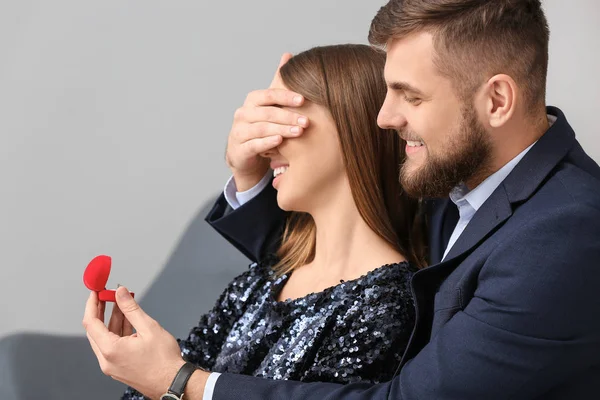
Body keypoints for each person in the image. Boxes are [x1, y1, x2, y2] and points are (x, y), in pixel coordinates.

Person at [83, 0, 600, 399]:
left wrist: (182, 381)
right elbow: (337, 255)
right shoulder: (462, 177)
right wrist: (251, 174)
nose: (384, 118)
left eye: (411, 95)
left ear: (497, 100)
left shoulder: (566, 233)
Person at [89, 44, 427, 400]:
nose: (265, 146)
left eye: (282, 116)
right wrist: (147, 373)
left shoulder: (387, 306)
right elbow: (177, 378)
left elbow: (179, 383)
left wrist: (167, 380)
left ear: (351, 123)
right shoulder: (265, 278)